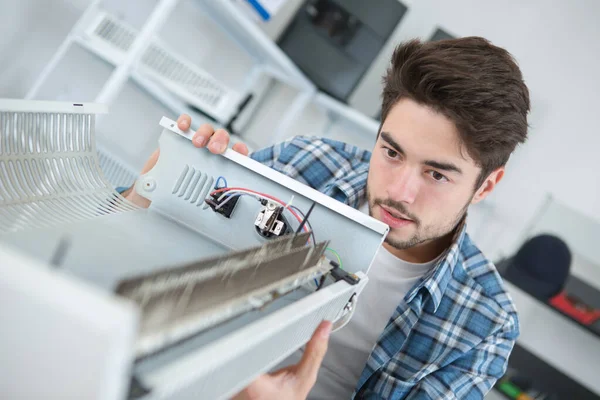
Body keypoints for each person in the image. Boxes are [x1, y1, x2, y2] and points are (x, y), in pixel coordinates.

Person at [121, 37, 529, 399]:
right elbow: (132, 262)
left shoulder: (485, 326)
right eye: (391, 152)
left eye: (436, 174)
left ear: (485, 186)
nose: (398, 193)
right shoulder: (306, 163)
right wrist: (153, 195)